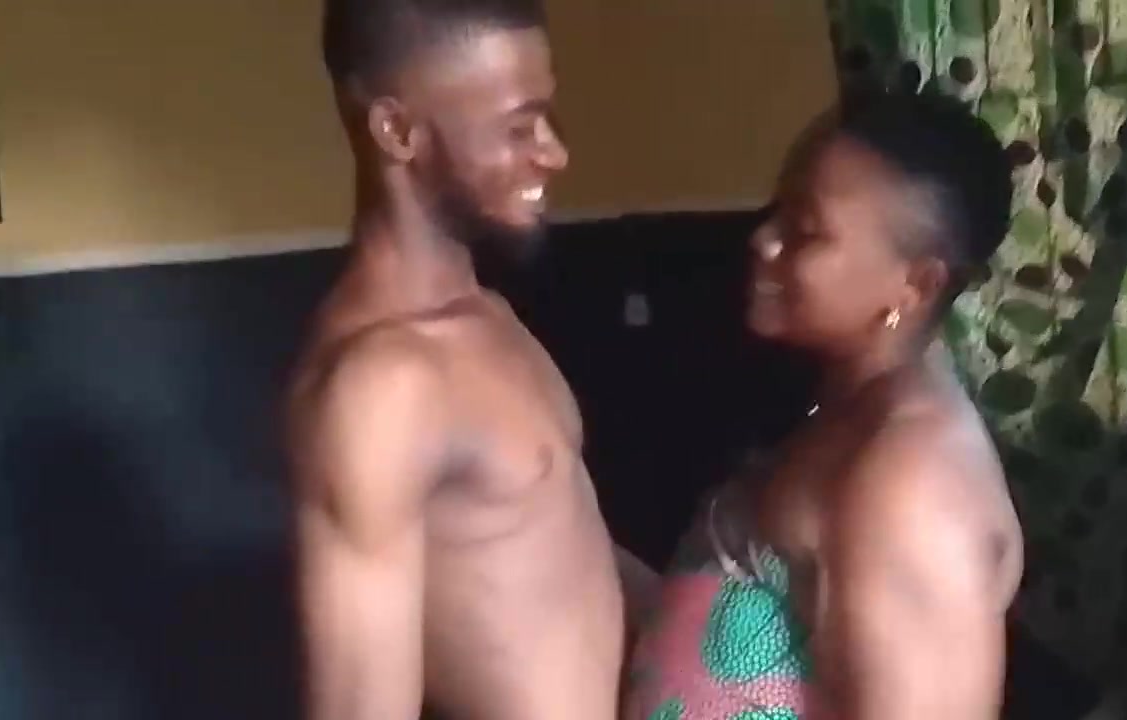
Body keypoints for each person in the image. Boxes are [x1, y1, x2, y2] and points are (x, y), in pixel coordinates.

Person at [284, 1, 657, 718]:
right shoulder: (381, 389)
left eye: (546, 118)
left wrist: (716, 609)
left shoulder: (487, 317)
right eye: (518, 127)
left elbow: (554, 554)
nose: (553, 152)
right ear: (398, 133)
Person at [623, 88, 1024, 720]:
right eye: (776, 210)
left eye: (805, 231)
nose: (763, 240)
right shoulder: (845, 413)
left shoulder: (910, 482)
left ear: (914, 284)